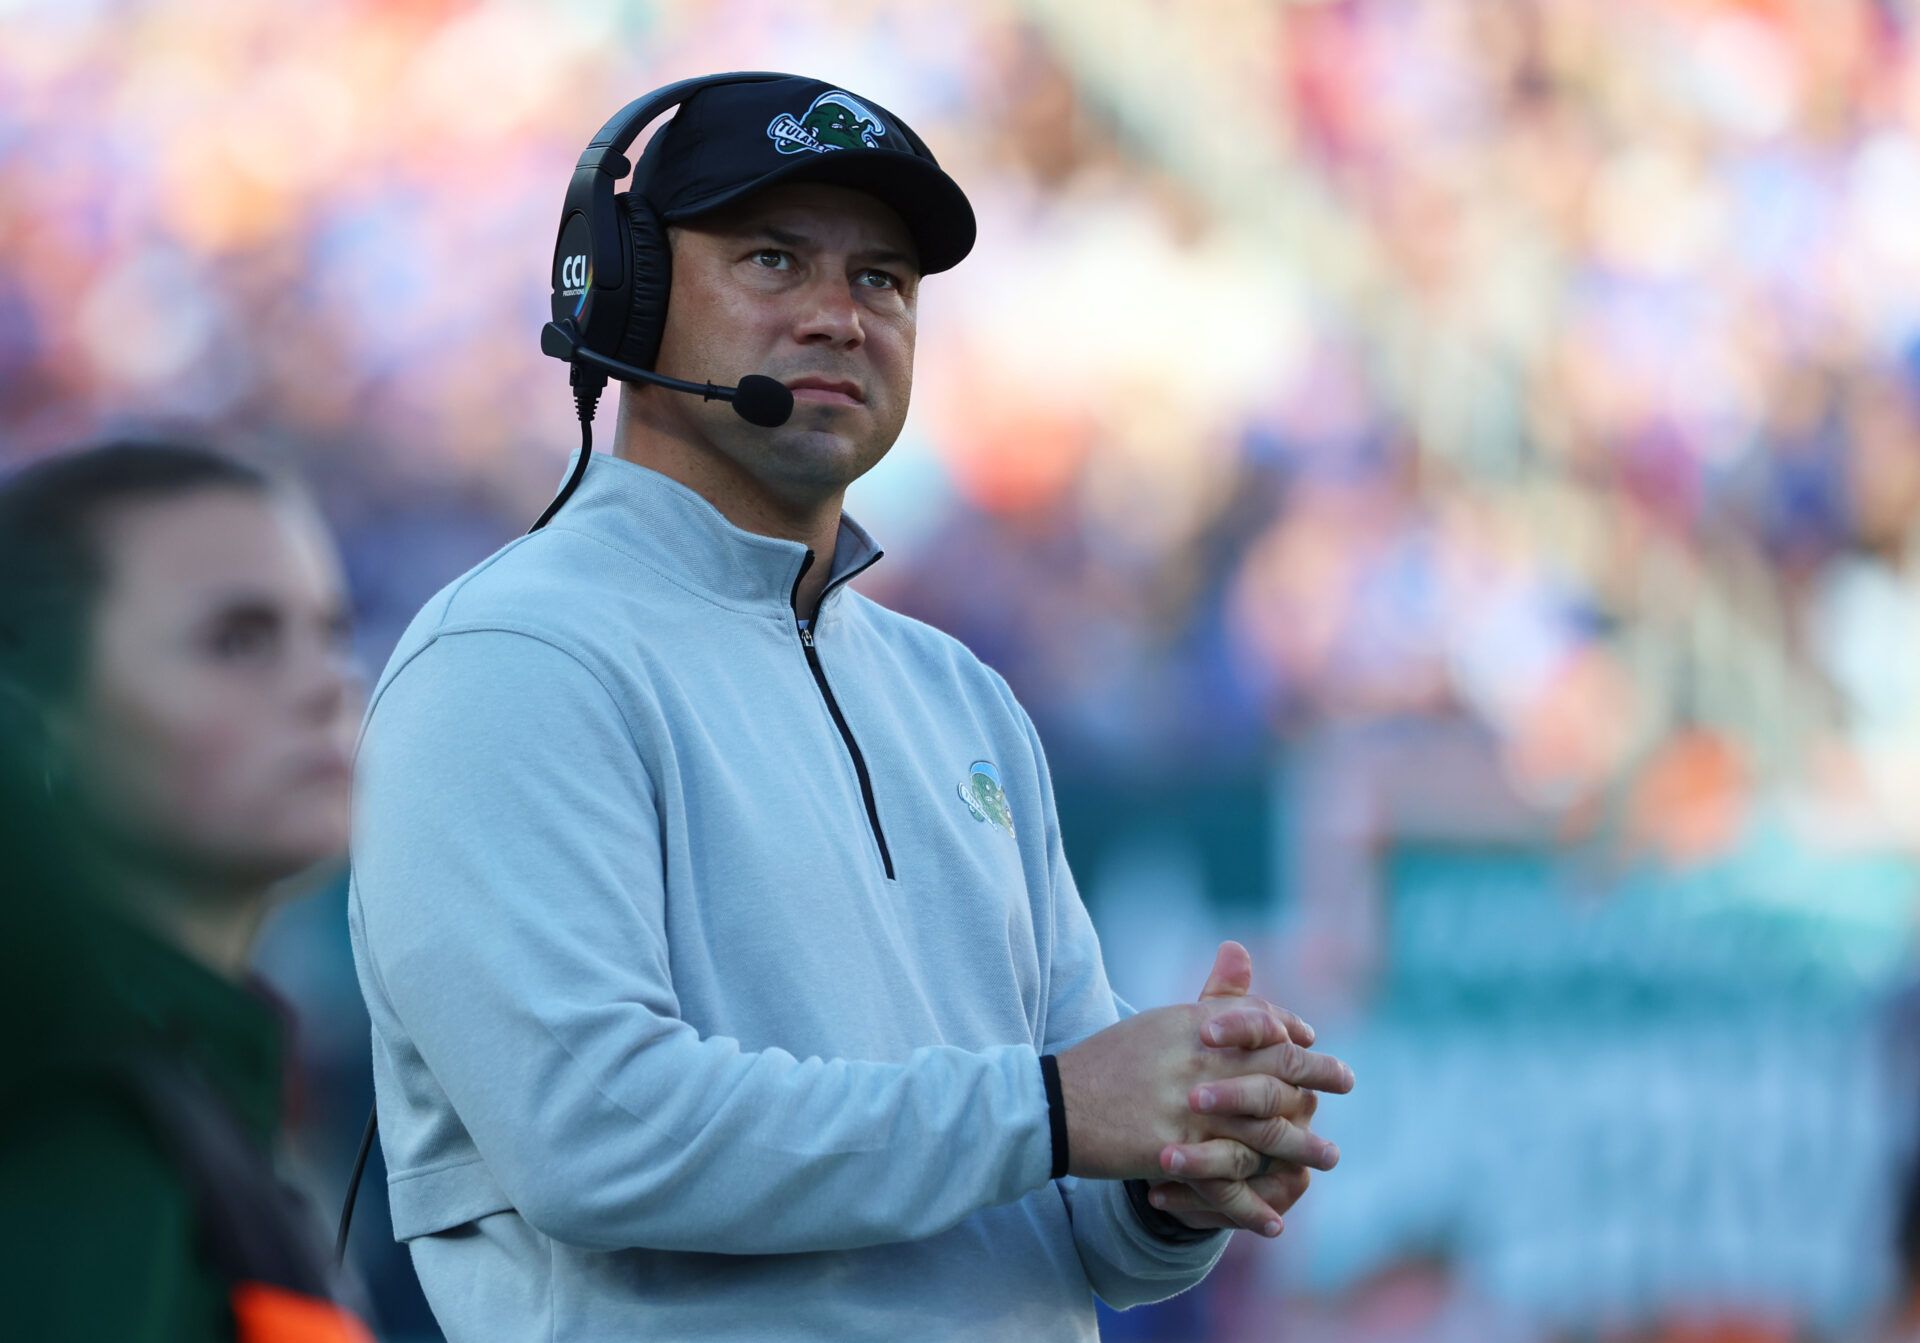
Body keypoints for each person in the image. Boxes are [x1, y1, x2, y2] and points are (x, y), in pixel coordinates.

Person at [347, 73, 1353, 1340]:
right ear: (623, 293)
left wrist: (1183, 1168)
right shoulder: (510, 658)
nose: (840, 317)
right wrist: (1051, 1109)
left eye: (881, 280)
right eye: (775, 261)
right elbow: (593, 1134)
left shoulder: (961, 696)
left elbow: (1083, 1218)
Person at [0, 441, 373, 1341]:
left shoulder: (196, 1069)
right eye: (238, 639)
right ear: (40, 714)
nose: (328, 685)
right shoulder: (69, 1142)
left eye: (329, 630)